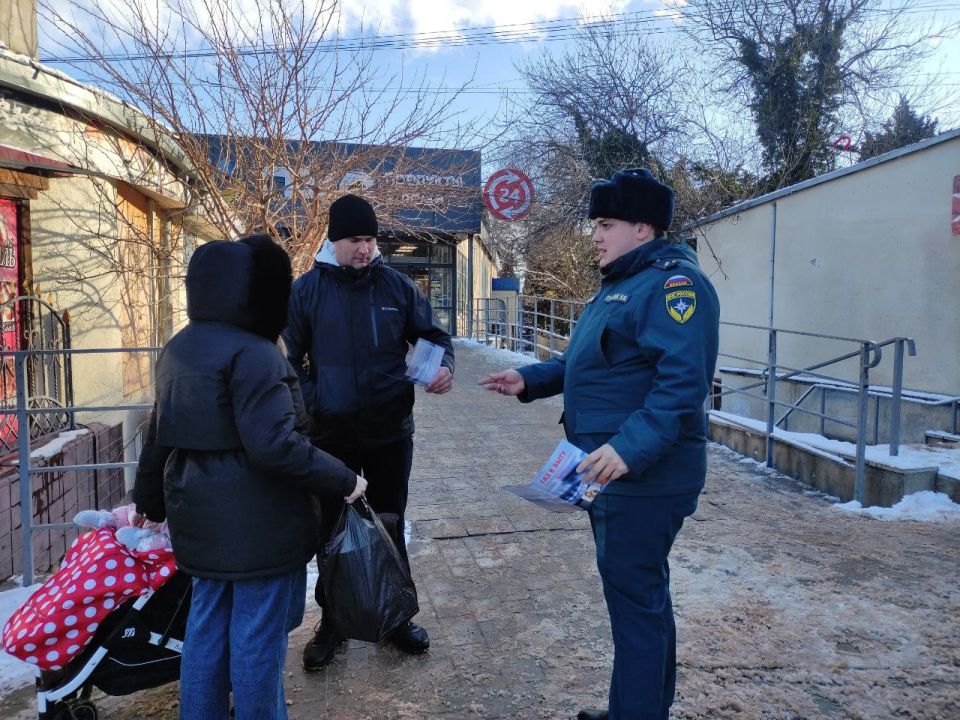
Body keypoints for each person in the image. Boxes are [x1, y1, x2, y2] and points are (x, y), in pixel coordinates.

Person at [479, 168, 720, 720]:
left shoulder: (673, 285)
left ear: (643, 227)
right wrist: (530, 379)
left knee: (636, 606)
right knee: (642, 602)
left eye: (605, 224)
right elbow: (583, 361)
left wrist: (630, 449)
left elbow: (682, 383)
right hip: (608, 472)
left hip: (642, 477)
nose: (595, 235)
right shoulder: (619, 287)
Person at [133, 234, 367, 720]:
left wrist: (150, 497)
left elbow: (159, 433)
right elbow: (277, 446)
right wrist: (344, 479)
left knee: (205, 632)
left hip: (197, 519)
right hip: (261, 525)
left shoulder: (178, 349)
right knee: (257, 641)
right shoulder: (257, 354)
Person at [283, 194, 454, 670]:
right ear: (334, 241)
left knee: (389, 523)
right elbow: (287, 362)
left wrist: (442, 369)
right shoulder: (306, 291)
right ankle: (333, 622)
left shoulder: (397, 287)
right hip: (329, 438)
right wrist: (318, 401)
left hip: (389, 433)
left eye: (370, 239)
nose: (364, 248)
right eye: (355, 240)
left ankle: (394, 618)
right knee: (333, 531)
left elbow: (435, 338)